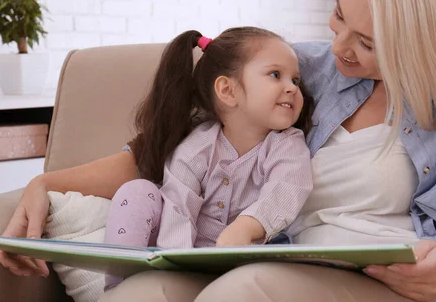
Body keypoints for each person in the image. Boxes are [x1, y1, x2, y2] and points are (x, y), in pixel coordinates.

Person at [0, 0, 436, 302]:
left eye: (368, 43)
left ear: (424, 43)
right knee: (145, 293)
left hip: (377, 284)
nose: (339, 46)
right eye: (339, 16)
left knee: (243, 292)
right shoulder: (303, 71)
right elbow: (174, 152)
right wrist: (46, 181)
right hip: (269, 257)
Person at [101, 27, 314, 291]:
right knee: (137, 191)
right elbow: (178, 207)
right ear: (227, 90)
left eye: (295, 80)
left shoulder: (286, 144)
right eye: (275, 75)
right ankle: (120, 286)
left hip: (245, 264)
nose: (292, 88)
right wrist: (177, 266)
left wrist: (247, 227)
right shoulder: (198, 146)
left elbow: (287, 188)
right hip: (182, 259)